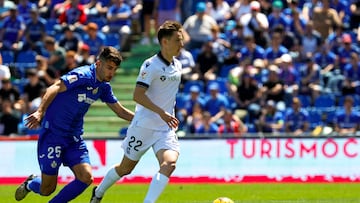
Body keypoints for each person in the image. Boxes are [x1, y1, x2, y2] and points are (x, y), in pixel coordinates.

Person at [14, 46, 134, 202]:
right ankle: (31, 183)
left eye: (115, 69)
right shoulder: (82, 75)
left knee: (86, 177)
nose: (112, 73)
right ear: (98, 64)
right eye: (109, 68)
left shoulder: (103, 87)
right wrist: (40, 112)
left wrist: (147, 119)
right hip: (53, 135)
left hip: (73, 138)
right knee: (47, 189)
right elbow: (55, 87)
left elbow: (120, 111)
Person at [90, 20, 184, 203]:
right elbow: (137, 95)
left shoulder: (178, 65)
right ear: (165, 42)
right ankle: (99, 192)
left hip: (165, 129)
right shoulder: (151, 65)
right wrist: (162, 113)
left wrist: (166, 115)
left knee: (169, 164)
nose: (181, 44)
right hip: (144, 126)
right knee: (125, 169)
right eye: (178, 40)